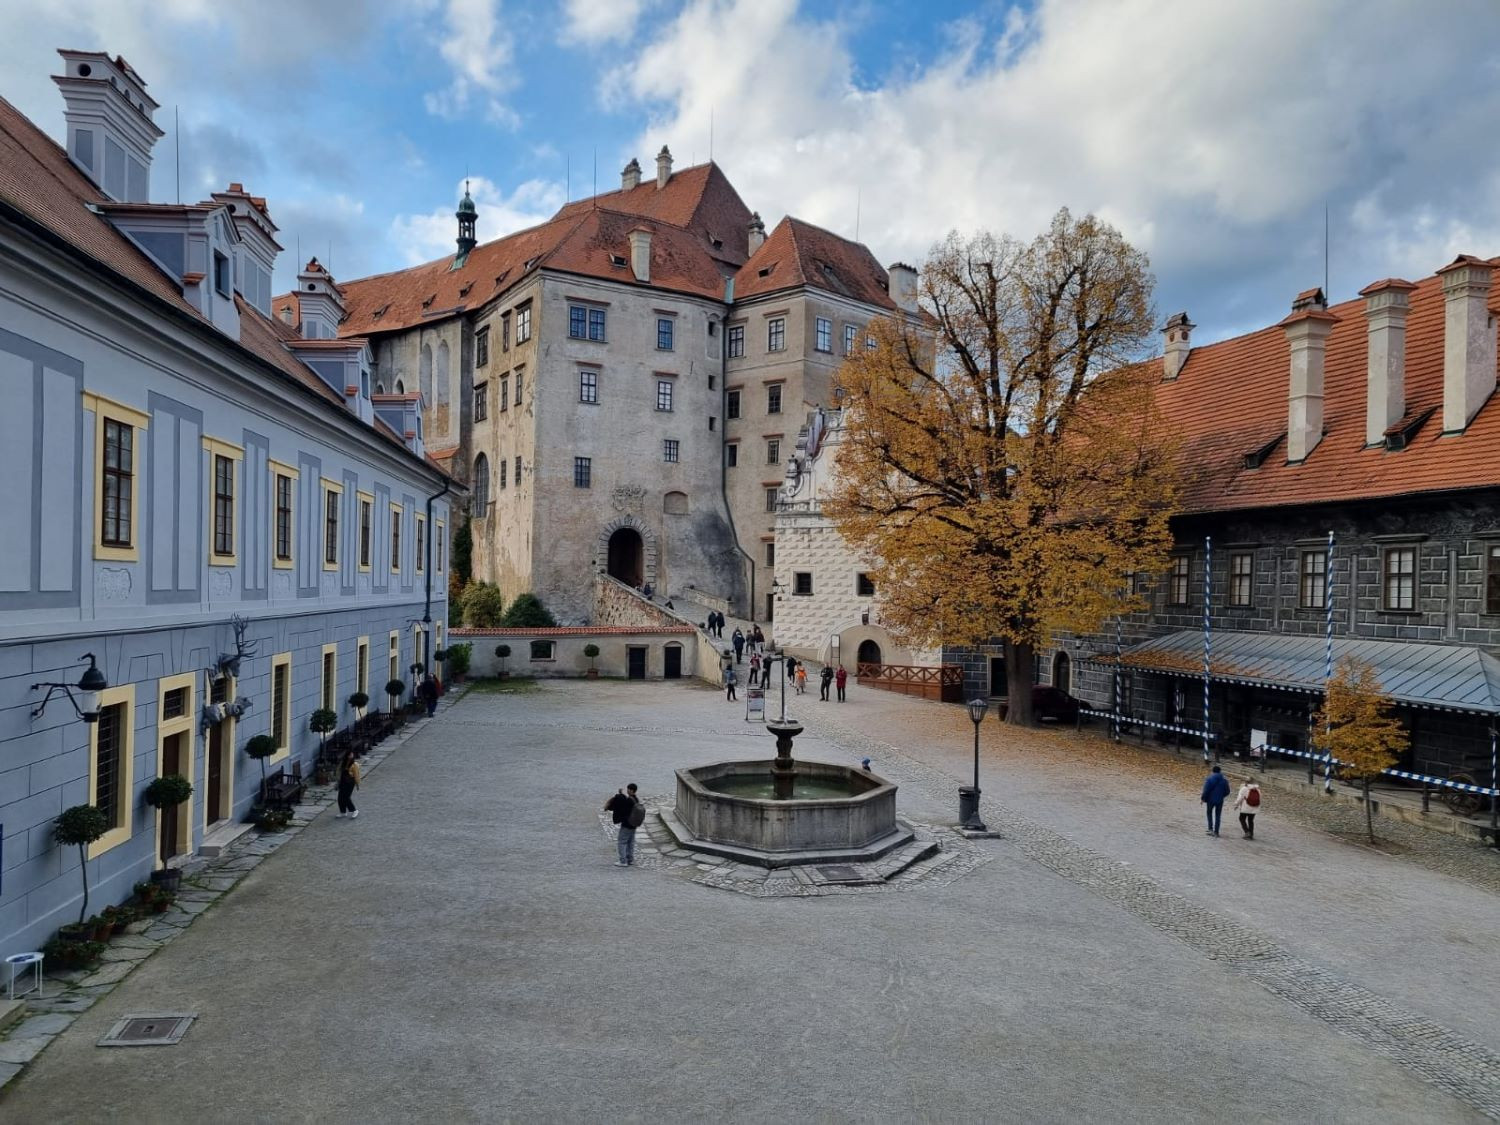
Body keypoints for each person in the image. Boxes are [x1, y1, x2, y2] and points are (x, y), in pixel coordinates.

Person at [604, 784, 640, 866]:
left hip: (627, 824)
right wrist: (621, 794)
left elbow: (621, 805)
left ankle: (623, 861)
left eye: (628, 789)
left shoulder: (629, 801)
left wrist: (619, 795)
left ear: (631, 790)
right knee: (630, 842)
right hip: (633, 825)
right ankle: (630, 859)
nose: (627, 791)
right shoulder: (636, 799)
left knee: (622, 842)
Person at [1201, 765, 1231, 837]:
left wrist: (1203, 798)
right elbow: (1227, 791)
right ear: (1220, 771)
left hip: (1210, 800)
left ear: (1213, 771)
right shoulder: (1224, 781)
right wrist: (1221, 796)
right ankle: (1216, 832)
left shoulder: (1209, 779)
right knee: (1218, 815)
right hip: (1220, 800)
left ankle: (1210, 829)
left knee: (1209, 813)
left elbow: (1206, 790)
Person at [336, 749, 360, 819]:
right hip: (343, 781)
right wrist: (337, 780)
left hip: (350, 782)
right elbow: (338, 770)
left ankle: (354, 810)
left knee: (346, 797)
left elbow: (356, 775)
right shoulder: (343, 762)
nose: (351, 756)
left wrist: (357, 784)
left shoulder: (354, 764)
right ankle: (343, 812)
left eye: (352, 754)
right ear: (347, 755)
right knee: (340, 797)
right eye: (350, 755)